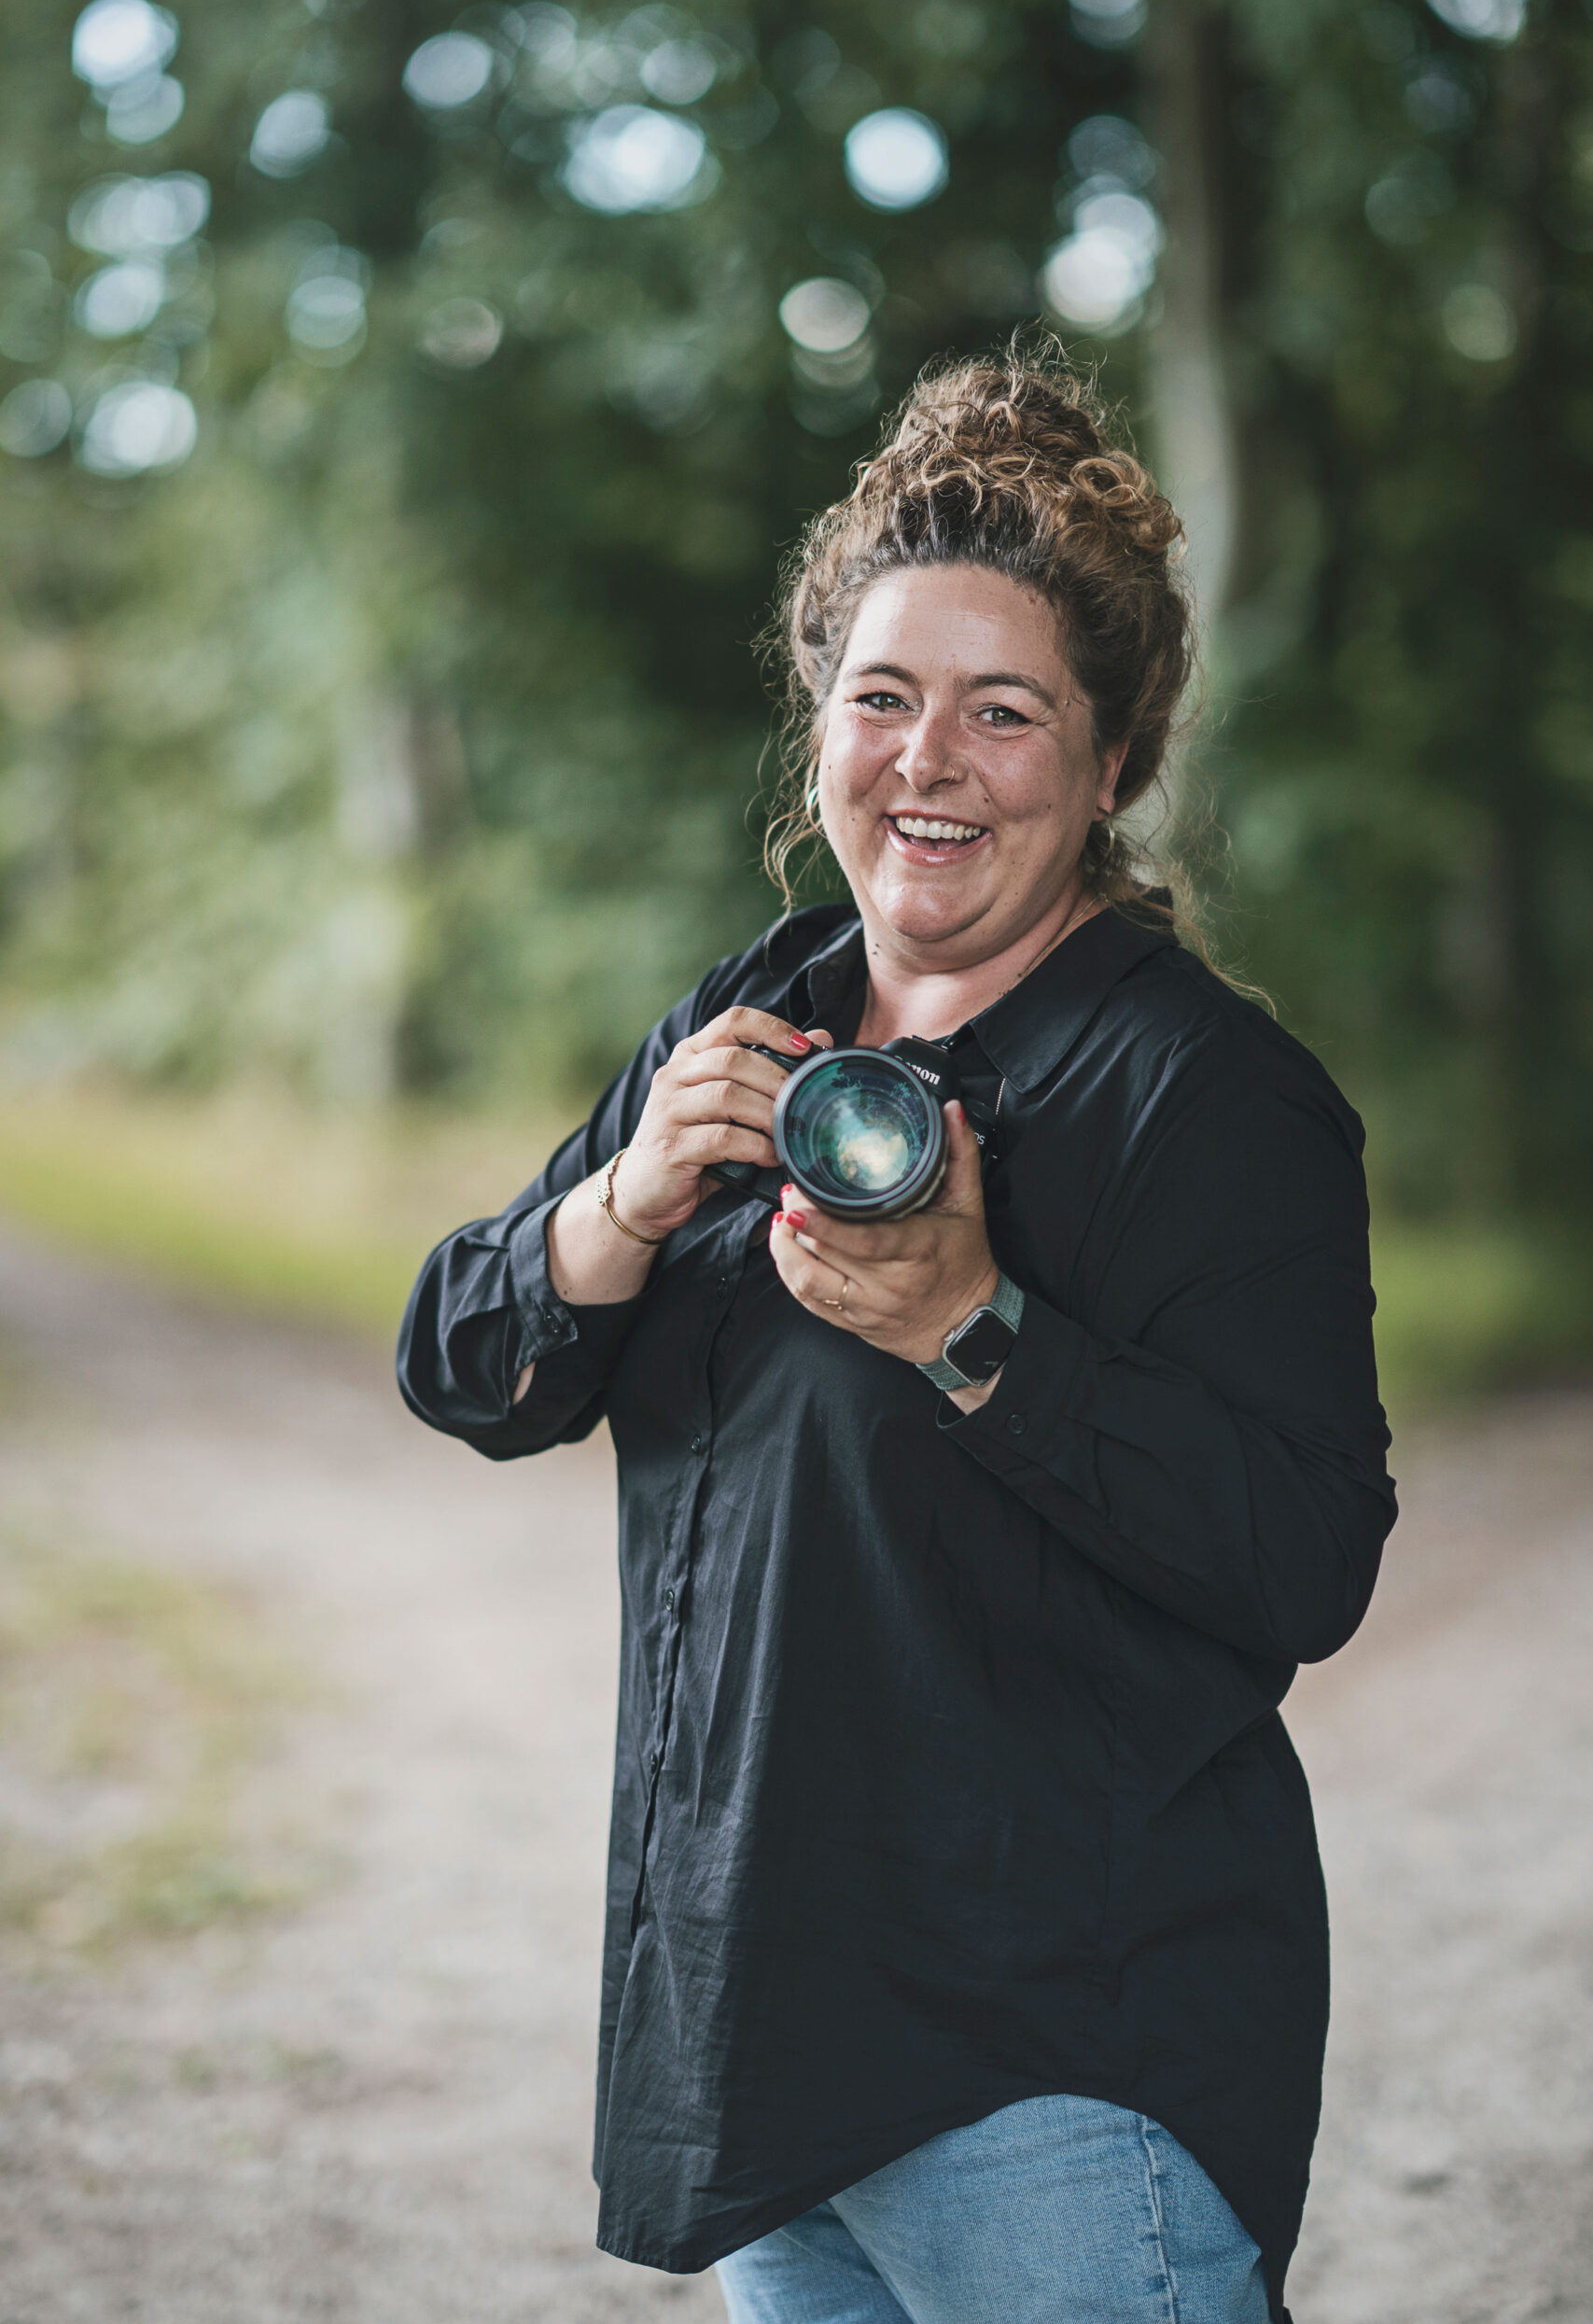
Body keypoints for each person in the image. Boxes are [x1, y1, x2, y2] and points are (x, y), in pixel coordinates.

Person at [397, 351, 1395, 2324]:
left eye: (1000, 711)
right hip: (766, 2044)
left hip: (1050, 2069)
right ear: (819, 728)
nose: (925, 756)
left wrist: (972, 1325)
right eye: (880, 697)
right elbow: (466, 1362)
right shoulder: (751, 1019)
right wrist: (616, 1203)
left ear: (1106, 768)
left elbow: (1303, 1552)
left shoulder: (1205, 1098)